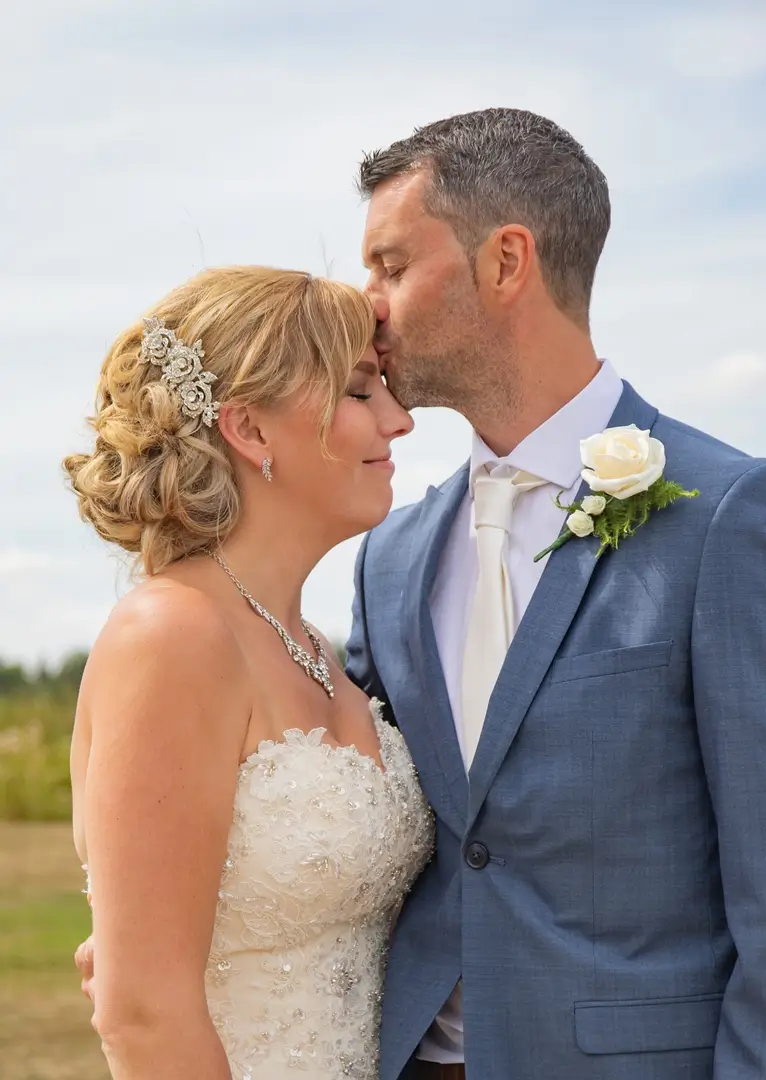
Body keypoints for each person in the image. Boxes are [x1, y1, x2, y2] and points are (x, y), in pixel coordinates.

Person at [346, 108, 766, 1080]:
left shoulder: (726, 517)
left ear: (506, 262)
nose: (365, 306)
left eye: (391, 266)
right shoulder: (388, 558)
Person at [64, 265, 434, 1080]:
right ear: (249, 430)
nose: (400, 419)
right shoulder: (172, 636)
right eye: (360, 391)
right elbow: (142, 1011)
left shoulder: (316, 650)